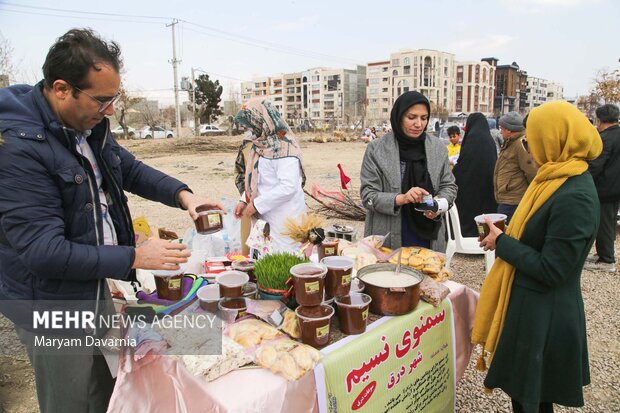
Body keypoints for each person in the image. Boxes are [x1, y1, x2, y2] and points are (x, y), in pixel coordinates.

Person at [0, 29, 222, 413]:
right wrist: (134, 257)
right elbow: (43, 253)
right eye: (102, 100)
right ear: (61, 89)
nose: (110, 110)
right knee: (69, 399)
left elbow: (128, 170)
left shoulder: (86, 125)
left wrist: (184, 195)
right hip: (49, 302)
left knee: (107, 386)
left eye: (113, 98)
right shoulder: (19, 147)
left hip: (90, 282)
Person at [474, 100, 602, 413]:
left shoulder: (576, 195)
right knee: (529, 396)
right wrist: (502, 238)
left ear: (555, 139)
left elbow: (553, 269)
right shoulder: (554, 178)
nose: (530, 148)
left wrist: (504, 242)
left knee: (532, 398)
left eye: (533, 140)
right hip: (532, 307)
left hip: (547, 315)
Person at [360, 91, 457, 251]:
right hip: (388, 235)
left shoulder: (437, 148)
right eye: (411, 117)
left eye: (424, 118)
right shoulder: (377, 150)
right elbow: (368, 195)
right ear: (398, 117)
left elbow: (449, 186)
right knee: (389, 274)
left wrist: (438, 205)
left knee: (427, 273)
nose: (418, 124)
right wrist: (401, 198)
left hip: (429, 234)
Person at [233, 98, 306, 254]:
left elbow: (288, 187)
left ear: (262, 121)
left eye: (250, 126)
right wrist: (244, 199)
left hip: (284, 220)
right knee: (264, 265)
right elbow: (256, 179)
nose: (248, 130)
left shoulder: (285, 148)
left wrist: (257, 204)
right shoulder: (260, 145)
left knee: (283, 263)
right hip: (264, 216)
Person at [584, 103, 620, 273]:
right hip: (615, 187)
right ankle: (603, 254)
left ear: (599, 121)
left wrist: (583, 178)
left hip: (605, 188)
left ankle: (606, 260)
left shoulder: (605, 138)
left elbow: (596, 165)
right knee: (609, 222)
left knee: (603, 223)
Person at [453, 112, 498, 237]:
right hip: (487, 188)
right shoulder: (489, 140)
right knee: (484, 219)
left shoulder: (472, 138)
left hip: (469, 189)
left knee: (469, 218)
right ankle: (484, 236)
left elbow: (463, 164)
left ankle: (469, 239)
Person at [494, 111, 538, 224]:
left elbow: (531, 172)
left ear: (509, 130)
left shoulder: (520, 144)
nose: (500, 131)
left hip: (514, 201)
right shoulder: (510, 143)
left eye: (502, 128)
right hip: (508, 199)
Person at [234, 137, 254, 255]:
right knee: (249, 256)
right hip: (249, 205)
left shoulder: (286, 144)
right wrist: (244, 198)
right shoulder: (248, 145)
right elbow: (240, 173)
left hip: (278, 209)